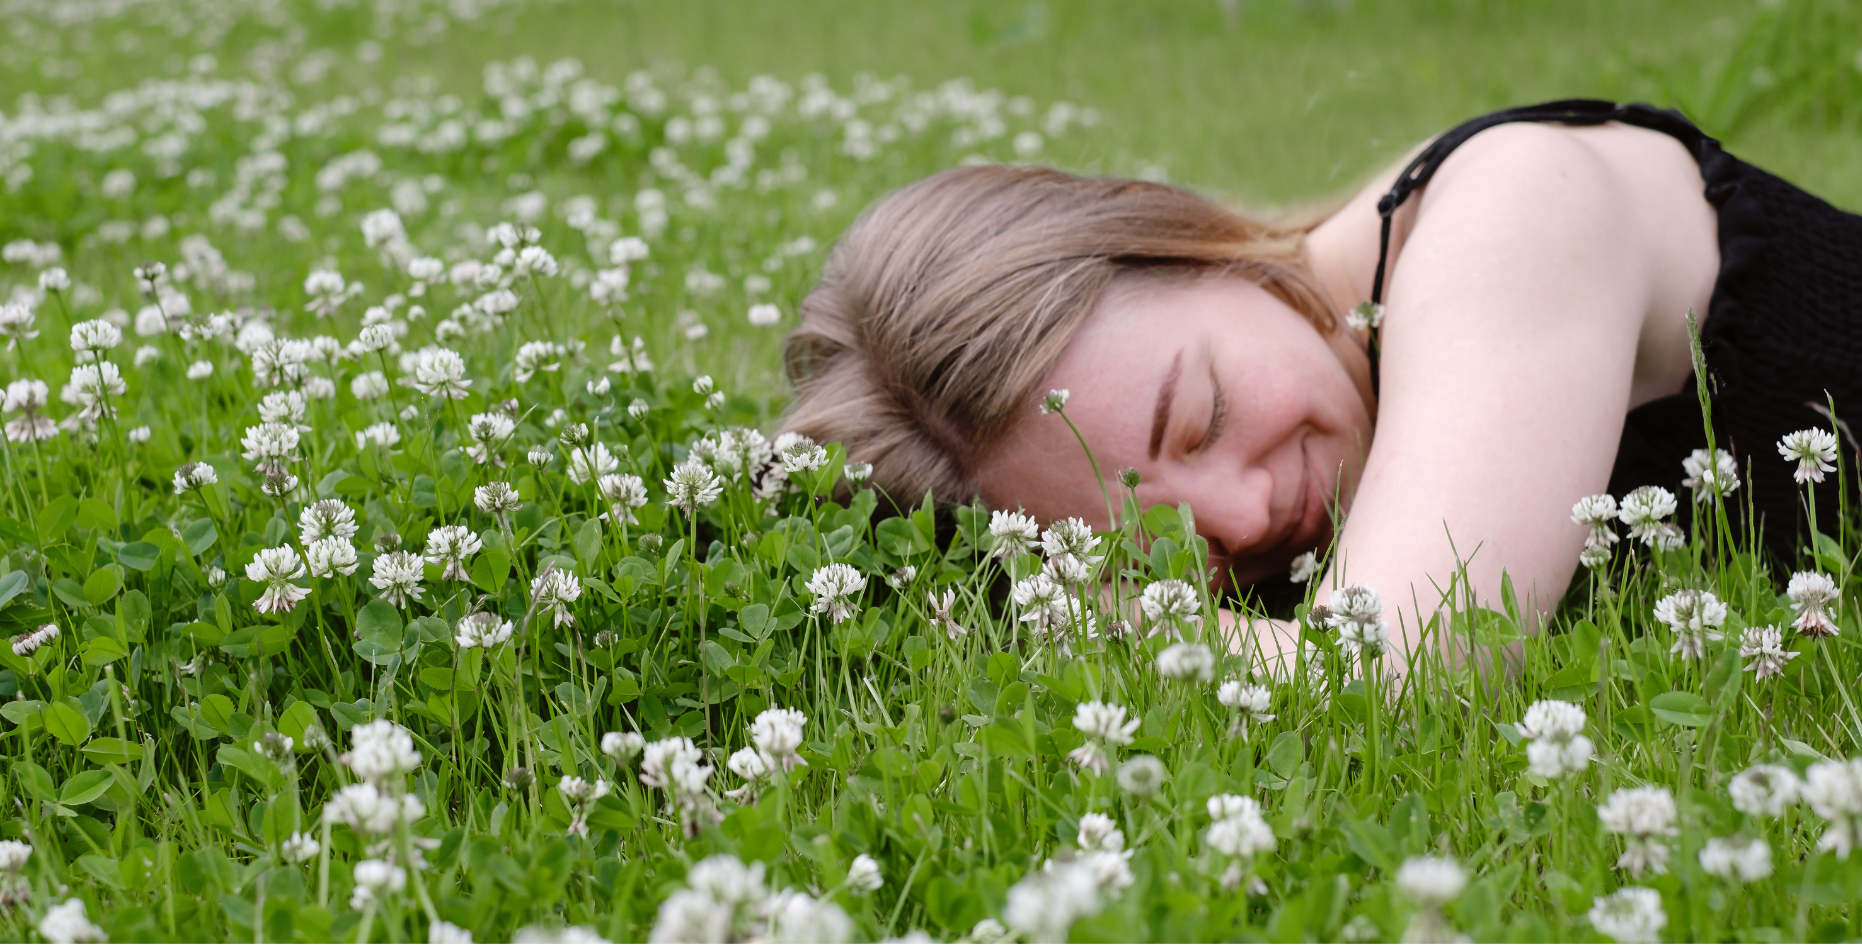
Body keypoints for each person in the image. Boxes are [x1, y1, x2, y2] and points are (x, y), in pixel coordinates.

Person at [775, 99, 1861, 669]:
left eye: (1199, 419)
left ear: (1195, 247)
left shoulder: (1510, 215)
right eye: (1155, 545)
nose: (1248, 518)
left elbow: (1401, 676)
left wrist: (1090, 615)